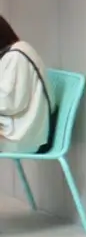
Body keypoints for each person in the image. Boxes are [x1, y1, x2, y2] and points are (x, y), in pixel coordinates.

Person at [0, 16, 53, 152]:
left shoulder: (16, 56)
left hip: (23, 137)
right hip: (19, 128)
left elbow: (10, 103)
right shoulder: (14, 52)